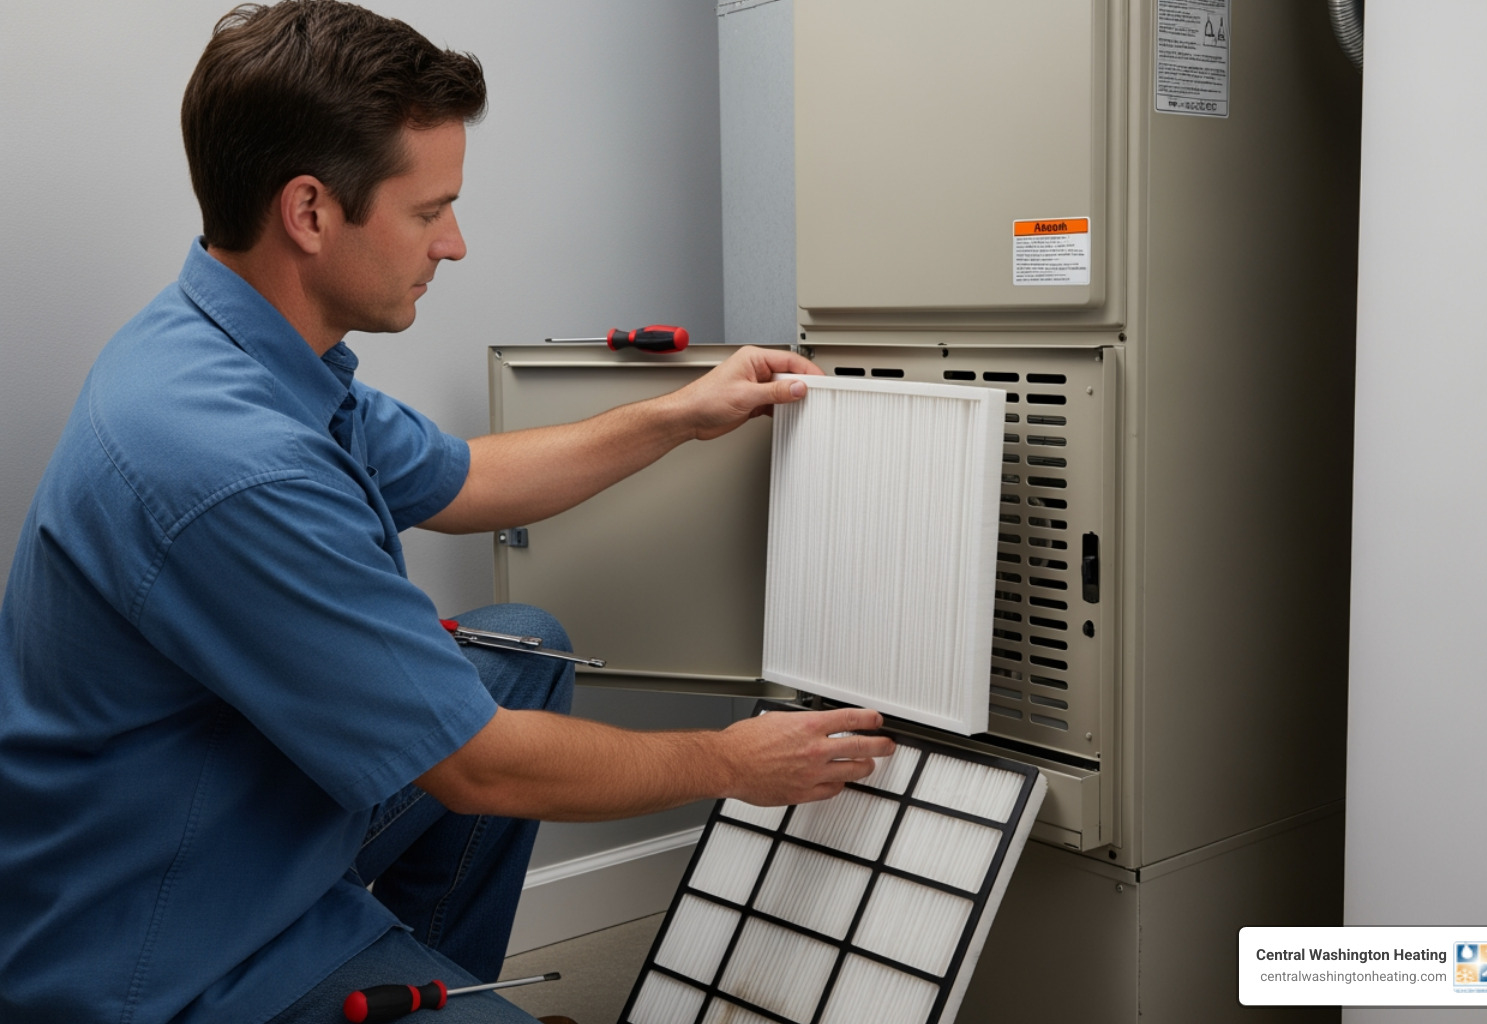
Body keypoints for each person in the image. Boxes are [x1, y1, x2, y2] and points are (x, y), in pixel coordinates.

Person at [0, 3, 894, 1022]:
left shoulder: (234, 345)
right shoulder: (232, 461)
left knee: (522, 648)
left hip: (223, 804)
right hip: (162, 938)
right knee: (490, 737)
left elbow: (464, 479)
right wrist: (733, 761)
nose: (455, 244)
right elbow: (480, 766)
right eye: (430, 211)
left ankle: (431, 976)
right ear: (309, 212)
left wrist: (682, 414)